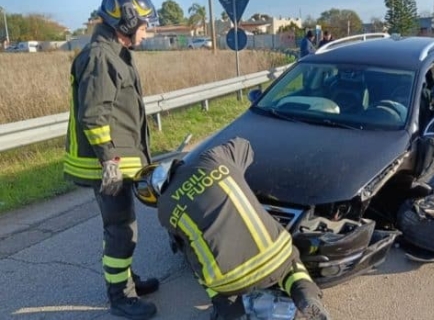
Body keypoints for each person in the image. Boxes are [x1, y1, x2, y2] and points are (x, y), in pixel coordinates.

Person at [132, 137, 331, 320]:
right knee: (290, 264)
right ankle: (306, 298)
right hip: (274, 257)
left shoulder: (165, 211)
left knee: (195, 259)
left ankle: (228, 309)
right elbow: (244, 144)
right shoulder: (213, 159)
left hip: (226, 280)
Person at [63, 0, 160, 319]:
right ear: (127, 22)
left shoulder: (115, 52)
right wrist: (109, 161)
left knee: (122, 228)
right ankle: (121, 296)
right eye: (145, 26)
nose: (147, 33)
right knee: (121, 230)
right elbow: (93, 115)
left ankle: (127, 280)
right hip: (106, 166)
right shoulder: (101, 57)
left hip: (114, 162)